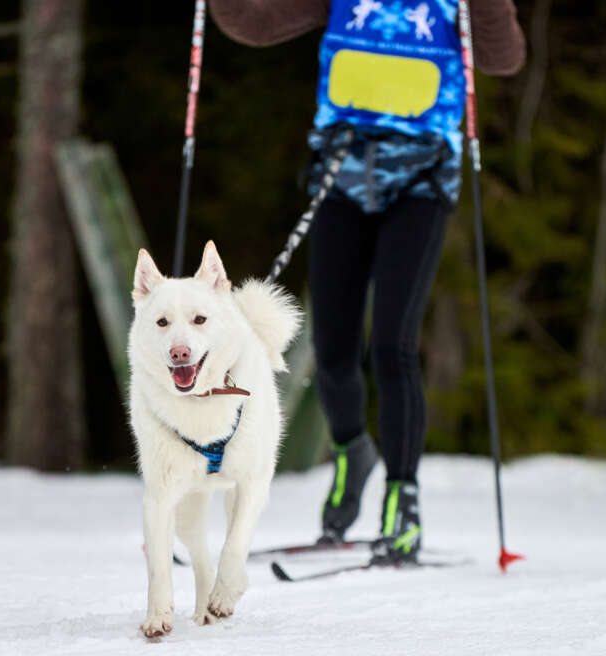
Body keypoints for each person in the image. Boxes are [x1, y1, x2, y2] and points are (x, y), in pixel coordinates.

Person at [210, 0, 525, 563]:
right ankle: (354, 451)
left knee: (393, 346)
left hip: (421, 184)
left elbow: (504, 59)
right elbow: (253, 25)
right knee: (331, 350)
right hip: (343, 179)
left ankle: (403, 500)